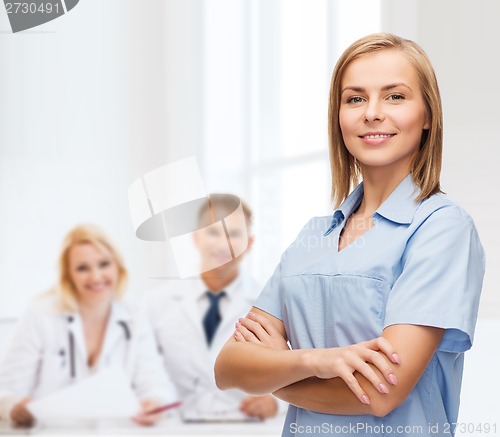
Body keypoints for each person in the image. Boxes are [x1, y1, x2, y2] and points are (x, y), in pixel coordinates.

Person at [214, 33, 485, 437]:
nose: (372, 113)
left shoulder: (442, 228)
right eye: (355, 99)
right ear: (338, 115)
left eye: (395, 96)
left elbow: (380, 394)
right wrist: (315, 362)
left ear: (427, 114)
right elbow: (228, 369)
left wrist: (276, 371)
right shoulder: (313, 237)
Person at [0, 224, 177, 427]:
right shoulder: (40, 316)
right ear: (68, 275)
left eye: (104, 264)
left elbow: (155, 383)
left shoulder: (135, 316)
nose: (96, 277)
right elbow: (5, 390)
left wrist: (154, 402)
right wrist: (14, 407)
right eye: (82, 268)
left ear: (118, 266)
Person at [143, 194, 280, 420]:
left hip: (246, 429)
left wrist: (275, 404)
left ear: (250, 243)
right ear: (196, 238)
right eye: (213, 232)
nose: (222, 244)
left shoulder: (270, 304)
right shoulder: (156, 303)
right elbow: (146, 369)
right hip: (175, 428)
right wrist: (153, 401)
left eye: (234, 234)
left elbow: (292, 369)